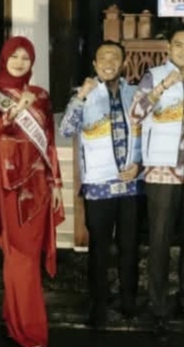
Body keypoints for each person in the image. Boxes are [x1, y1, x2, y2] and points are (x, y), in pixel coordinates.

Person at [0, 36, 65, 347]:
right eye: (15, 56)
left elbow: (49, 143)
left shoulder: (41, 96)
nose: (20, 62)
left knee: (28, 257)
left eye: (26, 58)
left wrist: (56, 183)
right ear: (4, 58)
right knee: (19, 257)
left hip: (39, 185)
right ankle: (29, 329)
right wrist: (11, 114)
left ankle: (16, 318)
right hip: (9, 184)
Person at [129, 23, 184, 335]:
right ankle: (157, 306)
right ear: (168, 48)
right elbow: (136, 113)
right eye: (178, 45)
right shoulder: (154, 76)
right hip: (162, 170)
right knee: (160, 241)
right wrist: (162, 87)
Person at [59, 40, 143, 328]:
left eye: (114, 57)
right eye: (103, 58)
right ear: (94, 64)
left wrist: (140, 165)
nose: (109, 63)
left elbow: (147, 132)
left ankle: (129, 299)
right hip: (98, 185)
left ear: (123, 63)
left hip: (130, 184)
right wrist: (81, 96)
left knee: (130, 246)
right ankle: (98, 303)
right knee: (99, 248)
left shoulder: (135, 93)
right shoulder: (83, 94)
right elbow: (66, 129)